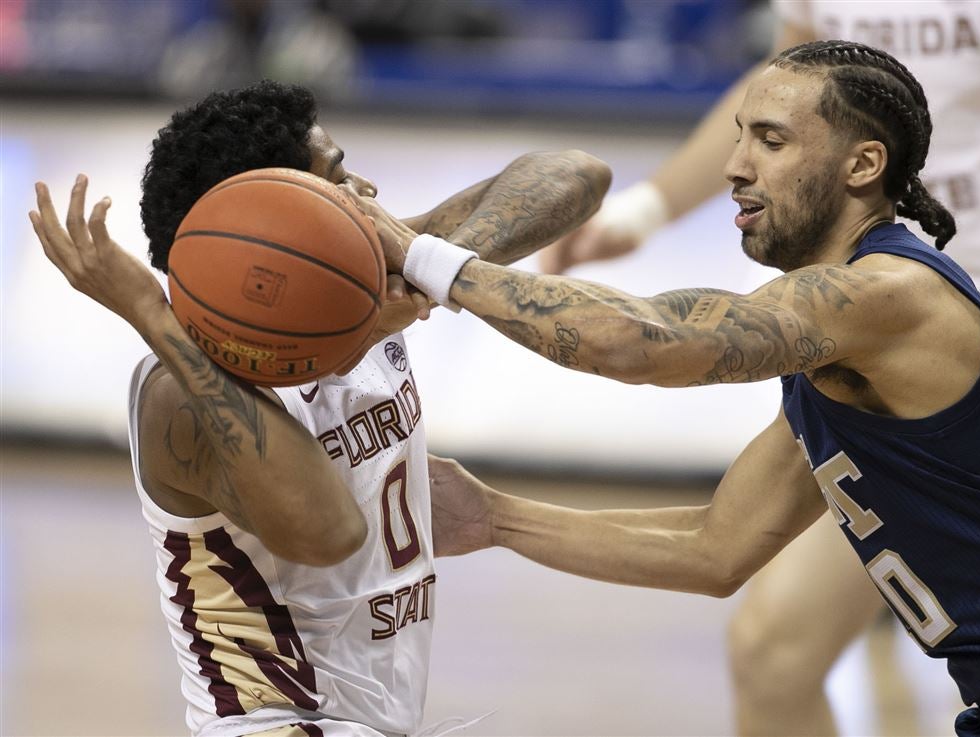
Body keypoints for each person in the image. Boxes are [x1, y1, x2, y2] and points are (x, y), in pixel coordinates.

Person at [358, 41, 980, 736]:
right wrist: (497, 518)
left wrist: (421, 256)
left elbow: (647, 343)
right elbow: (715, 548)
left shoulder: (888, 296)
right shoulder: (839, 359)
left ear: (862, 163)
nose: (733, 166)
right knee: (769, 647)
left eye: (769, 140)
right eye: (738, 137)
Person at [29, 80, 611, 737]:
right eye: (340, 178)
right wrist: (151, 316)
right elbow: (327, 530)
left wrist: (428, 269)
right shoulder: (181, 387)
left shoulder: (357, 280)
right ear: (283, 219)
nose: (367, 189)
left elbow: (575, 174)